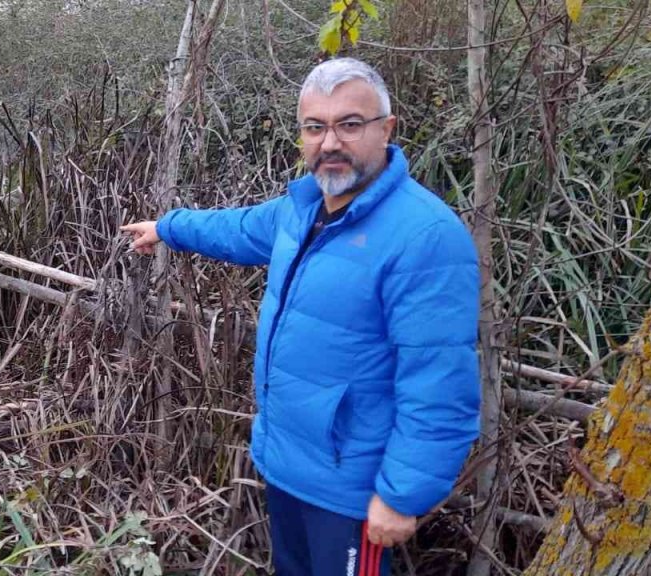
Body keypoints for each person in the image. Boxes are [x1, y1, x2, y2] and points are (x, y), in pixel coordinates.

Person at [121, 58, 481, 575]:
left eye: (349, 124)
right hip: (287, 464)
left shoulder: (425, 237)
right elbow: (238, 229)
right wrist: (168, 227)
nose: (329, 142)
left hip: (351, 488)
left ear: (386, 130)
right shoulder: (303, 208)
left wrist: (402, 495)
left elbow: (439, 384)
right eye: (315, 127)